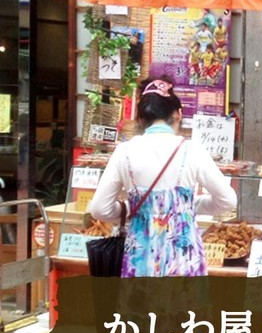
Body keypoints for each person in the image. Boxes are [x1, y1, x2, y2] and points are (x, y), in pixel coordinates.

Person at [88, 76, 237, 277]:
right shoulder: (191, 150)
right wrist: (187, 206)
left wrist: (132, 210)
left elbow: (99, 209)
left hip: (141, 259)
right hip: (184, 260)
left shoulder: (124, 152)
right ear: (178, 114)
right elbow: (227, 200)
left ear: (141, 119)